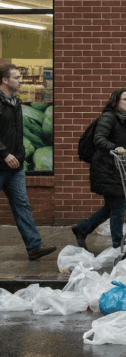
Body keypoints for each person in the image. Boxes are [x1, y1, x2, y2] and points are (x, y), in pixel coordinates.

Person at [0, 64, 57, 260]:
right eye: (16, 78)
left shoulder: (16, 101)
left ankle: (34, 247)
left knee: (22, 205)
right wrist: (4, 154)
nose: (21, 81)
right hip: (2, 163)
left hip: (15, 166)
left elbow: (17, 133)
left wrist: (20, 154)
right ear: (5, 80)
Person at [71, 88, 126, 250]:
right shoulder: (109, 117)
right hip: (105, 168)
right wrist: (115, 148)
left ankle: (82, 229)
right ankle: (118, 246)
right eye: (125, 99)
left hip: (117, 169)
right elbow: (99, 139)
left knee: (110, 208)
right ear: (116, 102)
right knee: (119, 206)